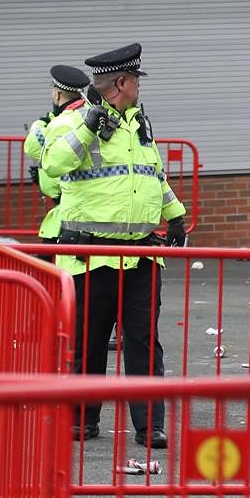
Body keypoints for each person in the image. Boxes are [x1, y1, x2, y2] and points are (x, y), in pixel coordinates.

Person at [41, 43, 187, 448]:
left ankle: (150, 426)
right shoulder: (73, 121)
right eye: (136, 80)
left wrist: (175, 215)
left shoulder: (140, 124)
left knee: (144, 343)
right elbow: (52, 166)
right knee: (88, 342)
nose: (139, 86)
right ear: (121, 83)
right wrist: (88, 126)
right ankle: (82, 418)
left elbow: (152, 175)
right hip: (91, 254)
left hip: (141, 254)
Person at [23, 65, 90, 244]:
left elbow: (33, 146)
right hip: (82, 210)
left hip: (69, 212)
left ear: (57, 94)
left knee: (51, 260)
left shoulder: (61, 122)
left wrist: (40, 123)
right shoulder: (88, 115)